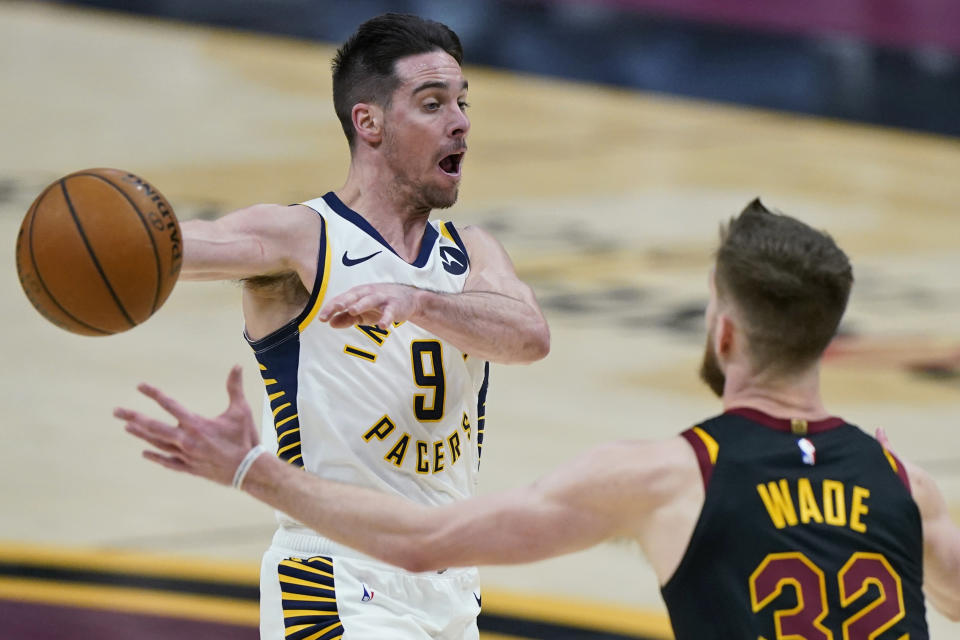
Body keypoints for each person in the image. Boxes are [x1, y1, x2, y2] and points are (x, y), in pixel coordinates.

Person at [118, 199, 960, 638]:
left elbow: (421, 542)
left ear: (725, 329)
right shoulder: (903, 486)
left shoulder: (665, 476)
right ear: (831, 341)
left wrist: (248, 468)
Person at [134, 13, 549, 640]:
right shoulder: (304, 238)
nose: (459, 120)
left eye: (462, 102)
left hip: (450, 581)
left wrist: (418, 302)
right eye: (432, 103)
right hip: (335, 575)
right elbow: (169, 248)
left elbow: (529, 337)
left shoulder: (472, 253)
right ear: (369, 122)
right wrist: (109, 237)